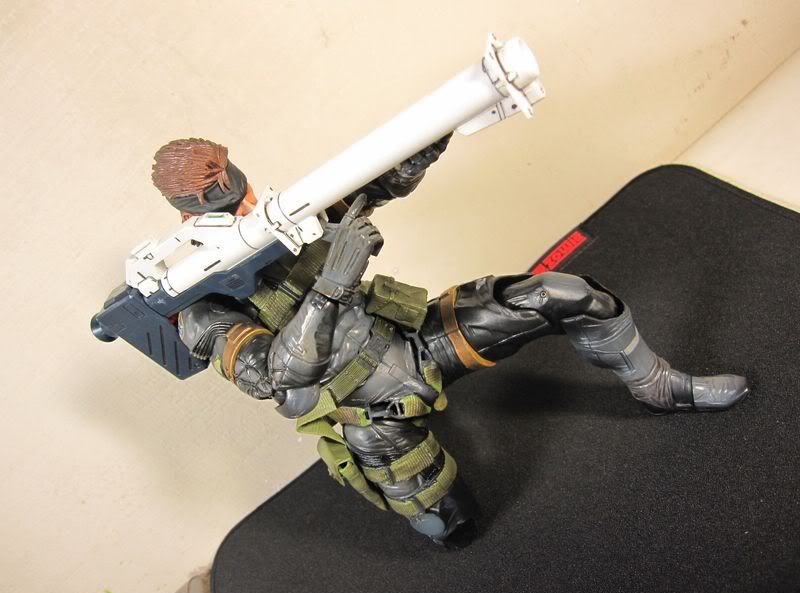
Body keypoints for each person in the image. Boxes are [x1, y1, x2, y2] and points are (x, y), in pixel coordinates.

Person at [151, 137, 749, 548]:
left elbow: (369, 188)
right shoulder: (198, 301)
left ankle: (658, 386)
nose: (244, 201)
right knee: (449, 526)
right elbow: (275, 377)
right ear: (189, 210)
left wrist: (421, 148)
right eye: (222, 196)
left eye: (236, 183)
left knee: (565, 293)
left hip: (416, 339)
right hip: (366, 411)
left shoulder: (279, 222)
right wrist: (332, 284)